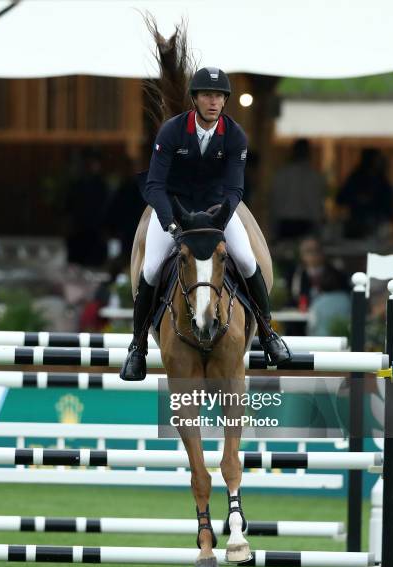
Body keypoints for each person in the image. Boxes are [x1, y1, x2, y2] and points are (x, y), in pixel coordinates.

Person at [120, 67, 291, 381]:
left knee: (246, 260)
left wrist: (219, 221)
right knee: (152, 267)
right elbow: (156, 185)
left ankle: (268, 333)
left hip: (216, 212)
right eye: (207, 95)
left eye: (219, 96)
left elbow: (235, 189)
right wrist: (170, 223)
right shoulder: (172, 132)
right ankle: (138, 346)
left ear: (225, 101)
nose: (213, 102)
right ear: (195, 99)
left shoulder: (235, 135)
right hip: (174, 208)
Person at [269, 139, 327, 240]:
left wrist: (273, 228)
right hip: (304, 225)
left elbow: (275, 203)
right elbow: (315, 205)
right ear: (309, 153)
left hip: (287, 225)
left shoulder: (282, 174)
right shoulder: (313, 176)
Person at [336, 148, 393, 238]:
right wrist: (357, 198)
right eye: (377, 159)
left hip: (378, 223)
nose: (379, 162)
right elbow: (341, 198)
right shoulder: (356, 178)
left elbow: (387, 202)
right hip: (358, 223)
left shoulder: (381, 180)